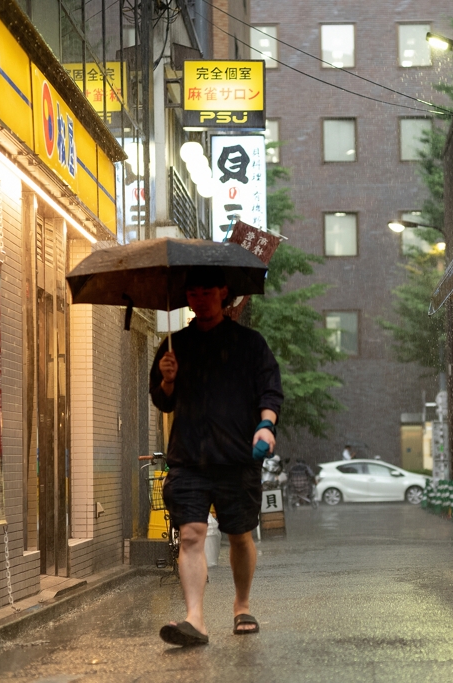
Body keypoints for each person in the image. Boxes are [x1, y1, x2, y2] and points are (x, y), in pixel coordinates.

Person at [150, 266, 284, 646]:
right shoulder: (175, 345)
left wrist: (265, 425)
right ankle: (195, 619)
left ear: (223, 293)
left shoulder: (250, 344)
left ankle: (241, 605)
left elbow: (271, 391)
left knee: (239, 535)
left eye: (207, 292)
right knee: (191, 535)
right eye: (192, 294)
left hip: (237, 458)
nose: (200, 300)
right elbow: (162, 400)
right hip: (189, 458)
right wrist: (167, 380)